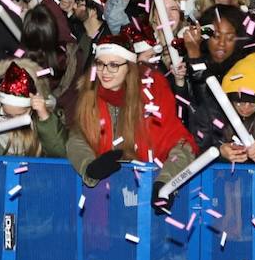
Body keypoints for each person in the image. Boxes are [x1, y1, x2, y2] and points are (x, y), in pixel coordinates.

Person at [65, 31, 196, 196]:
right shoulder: (89, 95)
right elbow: (77, 138)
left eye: (114, 65)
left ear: (129, 67)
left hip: (147, 190)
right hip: (105, 194)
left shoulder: (153, 94)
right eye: (100, 63)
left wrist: (165, 184)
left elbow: (182, 145)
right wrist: (89, 167)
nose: (105, 71)